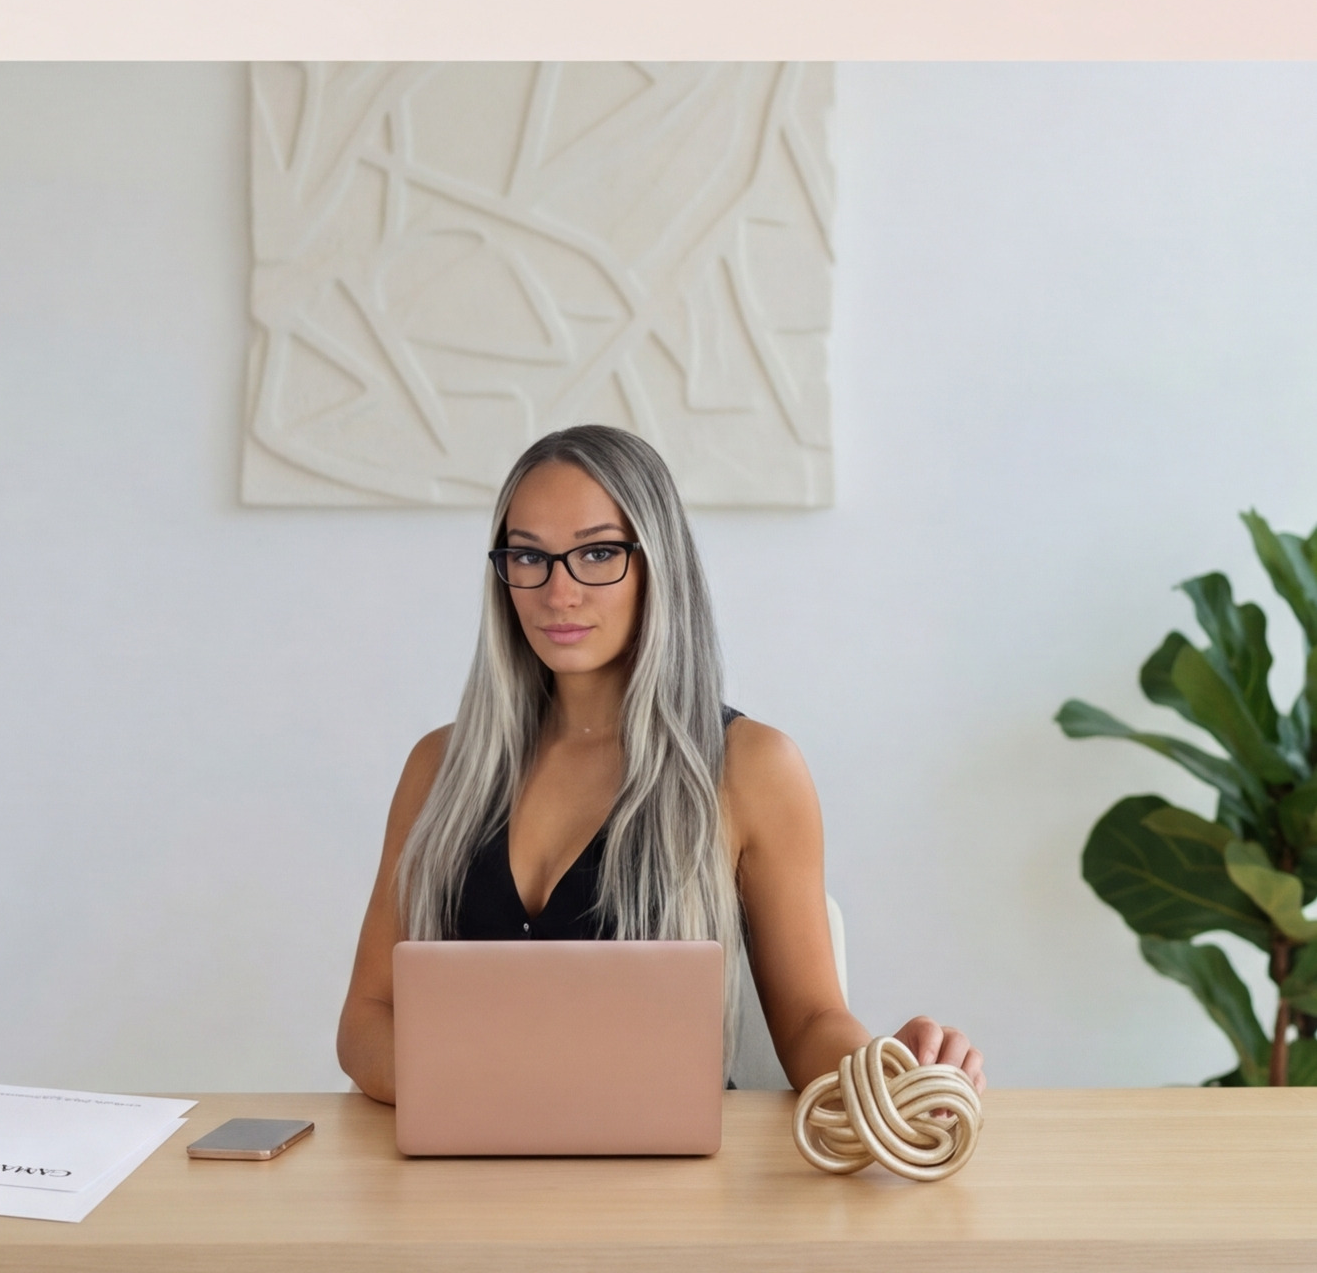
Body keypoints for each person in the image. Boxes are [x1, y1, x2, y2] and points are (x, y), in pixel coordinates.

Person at [337, 425, 985, 1105]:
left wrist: (887, 1076)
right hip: (458, 1177)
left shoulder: (749, 768)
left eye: (597, 553)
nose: (558, 593)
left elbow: (810, 1023)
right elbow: (365, 1021)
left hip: (667, 1189)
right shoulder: (439, 768)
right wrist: (509, 1101)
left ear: (658, 565)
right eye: (529, 557)